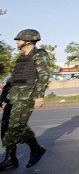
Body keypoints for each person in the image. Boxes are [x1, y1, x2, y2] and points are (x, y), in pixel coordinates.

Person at [0, 29, 49, 170]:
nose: (17, 42)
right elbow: (13, 79)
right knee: (5, 127)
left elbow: (44, 76)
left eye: (19, 39)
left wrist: (39, 96)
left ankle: (36, 148)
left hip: (26, 97)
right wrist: (3, 97)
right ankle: (10, 159)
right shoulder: (21, 57)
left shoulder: (39, 55)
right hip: (13, 96)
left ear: (27, 40)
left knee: (16, 126)